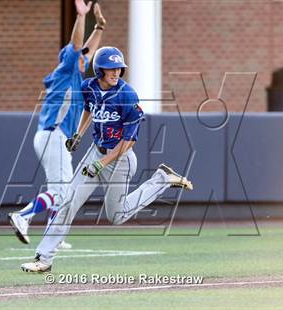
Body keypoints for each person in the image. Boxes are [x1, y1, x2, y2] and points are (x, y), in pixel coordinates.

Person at [21, 46, 193, 272]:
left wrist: (102, 163)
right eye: (110, 69)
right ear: (99, 70)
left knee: (117, 216)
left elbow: (129, 141)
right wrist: (78, 135)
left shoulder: (127, 95)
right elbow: (88, 109)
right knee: (68, 201)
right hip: (95, 151)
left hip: (120, 159)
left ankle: (162, 179)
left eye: (119, 68)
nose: (116, 73)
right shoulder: (88, 86)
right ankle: (44, 259)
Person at [8, 0, 106, 249]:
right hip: (54, 135)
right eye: (80, 57)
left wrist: (100, 27)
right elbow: (77, 46)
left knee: (59, 189)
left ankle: (54, 235)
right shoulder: (67, 68)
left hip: (53, 136)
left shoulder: (72, 72)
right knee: (62, 192)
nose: (85, 58)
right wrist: (82, 17)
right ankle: (23, 216)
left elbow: (87, 51)